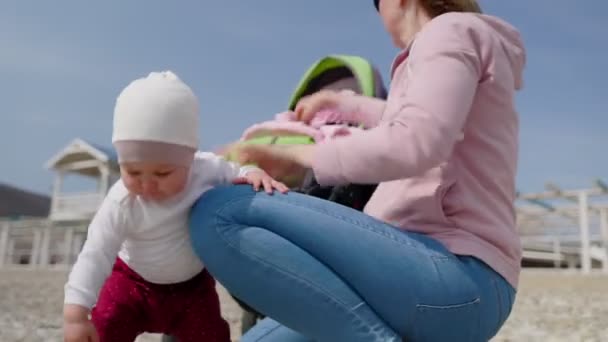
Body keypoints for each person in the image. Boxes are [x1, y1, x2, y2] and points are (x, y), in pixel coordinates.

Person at [189, 0, 526, 340]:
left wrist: (297, 156)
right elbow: (408, 120)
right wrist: (343, 103)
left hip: (456, 275)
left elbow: (416, 139)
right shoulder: (454, 40)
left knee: (221, 211)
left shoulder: (447, 30)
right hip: (428, 281)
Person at [62, 71, 288, 342]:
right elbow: (96, 252)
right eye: (133, 172)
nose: (147, 184)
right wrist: (75, 315)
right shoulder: (121, 201)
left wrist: (253, 172)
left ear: (190, 157)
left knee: (211, 335)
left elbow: (238, 168)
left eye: (162, 174)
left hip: (191, 289)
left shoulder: (206, 170)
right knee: (105, 327)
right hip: (131, 284)